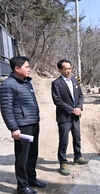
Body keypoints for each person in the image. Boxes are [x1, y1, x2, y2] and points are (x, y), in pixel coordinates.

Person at [0, 56, 46, 194]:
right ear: (17, 68)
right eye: (27, 67)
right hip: (22, 126)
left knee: (33, 154)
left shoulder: (27, 82)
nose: (29, 69)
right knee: (22, 157)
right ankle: (22, 186)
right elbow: (6, 109)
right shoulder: (8, 85)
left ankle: (31, 178)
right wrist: (14, 128)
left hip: (33, 123)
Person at [51, 59, 89, 176]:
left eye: (69, 68)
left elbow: (81, 96)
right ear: (59, 70)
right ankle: (63, 162)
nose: (68, 71)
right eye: (65, 69)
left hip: (76, 115)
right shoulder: (56, 83)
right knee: (64, 140)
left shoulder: (74, 80)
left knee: (77, 137)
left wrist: (79, 107)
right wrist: (72, 110)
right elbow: (57, 101)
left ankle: (77, 156)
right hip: (64, 116)